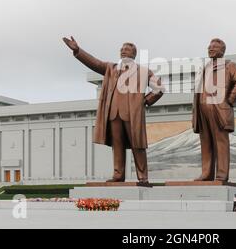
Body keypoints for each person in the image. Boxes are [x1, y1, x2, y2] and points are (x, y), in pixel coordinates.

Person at [63, 36, 164, 184]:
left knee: (138, 145)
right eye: (122, 49)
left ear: (134, 54)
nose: (123, 51)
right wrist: (78, 50)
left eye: (127, 49)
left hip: (132, 114)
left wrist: (145, 101)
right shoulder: (111, 69)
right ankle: (118, 175)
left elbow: (159, 88)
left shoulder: (143, 71)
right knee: (117, 146)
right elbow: (94, 63)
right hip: (113, 114)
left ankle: (142, 177)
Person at [192, 38, 236, 182]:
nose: (210, 49)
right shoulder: (205, 68)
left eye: (214, 47)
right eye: (209, 46)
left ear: (222, 51)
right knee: (206, 142)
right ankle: (206, 174)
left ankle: (221, 175)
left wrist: (230, 99)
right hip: (202, 110)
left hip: (219, 109)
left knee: (220, 142)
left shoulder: (230, 66)